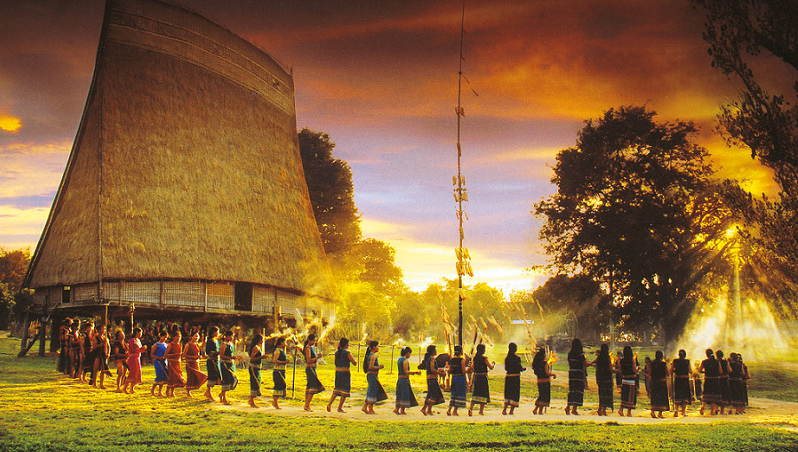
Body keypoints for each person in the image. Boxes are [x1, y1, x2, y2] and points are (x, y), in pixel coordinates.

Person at [328, 337, 357, 413]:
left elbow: (335, 362)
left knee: (337, 389)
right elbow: (354, 362)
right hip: (345, 373)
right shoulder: (347, 353)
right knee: (345, 391)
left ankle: (329, 404)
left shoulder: (337, 353)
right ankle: (339, 407)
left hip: (338, 372)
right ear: (346, 345)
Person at [566, 338, 593, 415]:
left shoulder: (570, 354)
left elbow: (569, 363)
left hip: (571, 373)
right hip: (578, 374)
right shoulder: (580, 354)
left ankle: (568, 407)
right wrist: (594, 362)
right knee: (578, 390)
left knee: (572, 390)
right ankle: (574, 409)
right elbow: (586, 364)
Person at [467, 344, 494, 416]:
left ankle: (471, 409)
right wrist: (493, 364)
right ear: (482, 350)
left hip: (477, 377)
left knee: (476, 392)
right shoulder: (484, 358)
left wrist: (475, 370)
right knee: (483, 393)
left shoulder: (475, 358)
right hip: (483, 377)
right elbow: (490, 367)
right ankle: (481, 411)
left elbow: (471, 367)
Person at [362, 340, 387, 414]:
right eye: (377, 346)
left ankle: (365, 406)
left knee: (371, 390)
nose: (378, 348)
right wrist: (379, 367)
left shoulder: (371, 355)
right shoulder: (373, 356)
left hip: (372, 375)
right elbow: (371, 366)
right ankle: (370, 408)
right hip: (372, 375)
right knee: (372, 391)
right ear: (374, 347)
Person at [420, 344, 445, 415]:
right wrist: (440, 373)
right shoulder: (432, 359)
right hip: (432, 378)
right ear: (433, 351)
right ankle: (429, 409)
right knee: (433, 393)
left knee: (430, 393)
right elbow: (432, 369)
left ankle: (424, 408)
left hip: (429, 378)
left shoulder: (428, 359)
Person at [394, 346, 420, 415]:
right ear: (407, 353)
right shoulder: (405, 360)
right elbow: (406, 371)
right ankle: (402, 410)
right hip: (404, 379)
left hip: (400, 379)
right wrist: (415, 372)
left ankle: (397, 408)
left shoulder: (399, 360)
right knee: (404, 394)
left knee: (400, 394)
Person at [303, 333, 325, 411]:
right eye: (313, 341)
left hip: (313, 369)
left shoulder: (312, 347)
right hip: (310, 369)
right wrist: (317, 357)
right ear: (309, 340)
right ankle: (307, 405)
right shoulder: (308, 348)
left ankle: (306, 405)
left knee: (309, 387)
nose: (314, 342)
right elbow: (309, 360)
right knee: (312, 388)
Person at [502, 342, 526, 415]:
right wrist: (522, 369)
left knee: (508, 393)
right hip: (515, 378)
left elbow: (506, 368)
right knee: (514, 394)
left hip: (508, 377)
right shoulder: (517, 358)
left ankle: (504, 409)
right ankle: (511, 411)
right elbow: (518, 367)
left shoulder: (507, 358)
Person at [532, 347, 556, 415]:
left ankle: (535, 409)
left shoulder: (536, 364)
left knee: (541, 395)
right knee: (544, 396)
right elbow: (547, 373)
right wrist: (553, 374)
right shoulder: (544, 363)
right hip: (545, 381)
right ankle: (540, 411)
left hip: (539, 381)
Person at [182, 331, 207, 397]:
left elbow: (201, 347)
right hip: (190, 363)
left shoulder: (197, 344)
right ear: (191, 337)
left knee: (196, 376)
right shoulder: (188, 345)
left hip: (196, 363)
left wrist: (200, 357)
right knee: (190, 377)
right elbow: (184, 354)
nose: (196, 338)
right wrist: (193, 357)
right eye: (195, 336)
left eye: (197, 336)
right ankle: (188, 392)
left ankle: (194, 387)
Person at [446, 345, 468, 416]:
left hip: (454, 378)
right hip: (460, 378)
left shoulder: (452, 360)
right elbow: (463, 371)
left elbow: (449, 370)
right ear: (461, 352)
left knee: (454, 394)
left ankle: (449, 409)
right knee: (459, 393)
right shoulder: (462, 360)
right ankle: (455, 411)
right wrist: (466, 379)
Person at [699, 348, 721, 415]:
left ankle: (703, 407)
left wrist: (705, 371)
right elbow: (721, 371)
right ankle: (712, 411)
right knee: (714, 396)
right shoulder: (717, 362)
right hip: (715, 379)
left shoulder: (704, 362)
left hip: (707, 379)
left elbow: (700, 370)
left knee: (706, 394)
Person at [671, 349, 692, 417]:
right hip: (685, 379)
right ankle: (683, 412)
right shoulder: (687, 361)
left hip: (678, 379)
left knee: (678, 395)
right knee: (684, 395)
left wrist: (675, 370)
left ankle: (676, 410)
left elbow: (671, 370)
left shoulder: (675, 361)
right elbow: (690, 371)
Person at [618, 345, 639, 417]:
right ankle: (628, 412)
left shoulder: (621, 360)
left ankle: (621, 409)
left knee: (624, 395)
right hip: (631, 379)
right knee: (631, 396)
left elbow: (620, 370)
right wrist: (637, 369)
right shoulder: (632, 359)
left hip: (624, 379)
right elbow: (634, 370)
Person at [219, 330, 238, 405]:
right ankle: (224, 398)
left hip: (231, 364)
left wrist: (235, 357)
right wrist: (231, 357)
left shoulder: (231, 344)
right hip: (225, 364)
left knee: (233, 380)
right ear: (226, 336)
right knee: (226, 380)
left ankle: (221, 394)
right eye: (230, 336)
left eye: (232, 336)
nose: (232, 337)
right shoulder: (224, 345)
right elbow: (221, 356)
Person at [649, 351, 670, 418]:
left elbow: (650, 373)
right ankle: (660, 413)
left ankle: (652, 411)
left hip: (654, 382)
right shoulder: (663, 364)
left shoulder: (652, 364)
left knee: (654, 397)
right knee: (662, 398)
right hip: (662, 382)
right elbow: (668, 373)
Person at [595, 344, 614, 416]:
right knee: (607, 394)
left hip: (601, 378)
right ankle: (604, 410)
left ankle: (600, 409)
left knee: (601, 394)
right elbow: (610, 369)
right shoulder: (607, 358)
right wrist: (617, 371)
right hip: (607, 378)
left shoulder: (599, 358)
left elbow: (597, 368)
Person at [164, 331, 186, 397]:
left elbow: (180, 353)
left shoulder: (180, 344)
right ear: (173, 337)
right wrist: (175, 355)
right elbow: (166, 355)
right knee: (172, 377)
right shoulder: (170, 345)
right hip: (171, 362)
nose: (178, 338)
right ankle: (168, 390)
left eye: (179, 336)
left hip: (178, 363)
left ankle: (172, 391)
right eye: (177, 336)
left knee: (177, 378)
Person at [204, 326, 222, 402]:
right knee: (212, 377)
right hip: (211, 361)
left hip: (216, 360)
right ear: (213, 332)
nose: (218, 333)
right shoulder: (209, 341)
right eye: (217, 332)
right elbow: (208, 352)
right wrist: (218, 352)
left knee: (218, 377)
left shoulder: (216, 340)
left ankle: (208, 392)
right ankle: (209, 393)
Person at [123, 327, 143, 394]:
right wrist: (139, 349)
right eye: (140, 333)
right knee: (132, 373)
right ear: (137, 333)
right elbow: (131, 350)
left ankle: (132, 388)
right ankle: (125, 387)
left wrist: (142, 350)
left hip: (137, 358)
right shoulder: (132, 340)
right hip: (132, 358)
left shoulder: (138, 340)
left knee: (137, 373)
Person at [92, 324, 112, 389]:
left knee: (103, 369)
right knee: (96, 369)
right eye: (102, 329)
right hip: (97, 354)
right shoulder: (95, 337)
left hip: (104, 355)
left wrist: (108, 353)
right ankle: (94, 383)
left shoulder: (105, 338)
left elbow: (109, 346)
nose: (104, 330)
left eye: (104, 329)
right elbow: (94, 346)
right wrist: (101, 344)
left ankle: (101, 384)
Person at [271, 337, 289, 409]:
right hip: (278, 371)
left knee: (281, 385)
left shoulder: (282, 350)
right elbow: (274, 360)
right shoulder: (277, 351)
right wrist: (284, 362)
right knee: (278, 386)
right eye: (285, 342)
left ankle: (275, 402)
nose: (286, 344)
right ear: (281, 343)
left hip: (282, 371)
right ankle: (275, 402)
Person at [248, 333, 264, 408]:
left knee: (258, 382)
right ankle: (251, 401)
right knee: (255, 383)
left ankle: (251, 400)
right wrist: (261, 357)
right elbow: (251, 359)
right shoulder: (255, 348)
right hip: (253, 367)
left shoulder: (259, 347)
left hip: (257, 368)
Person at [150, 330, 168, 396]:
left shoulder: (166, 345)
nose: (164, 339)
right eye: (163, 337)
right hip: (158, 362)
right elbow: (152, 355)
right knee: (159, 375)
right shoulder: (156, 345)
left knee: (164, 376)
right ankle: (152, 390)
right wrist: (158, 357)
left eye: (166, 337)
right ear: (160, 336)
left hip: (164, 362)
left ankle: (160, 391)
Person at [716, 349, 731, 414]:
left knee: (717, 394)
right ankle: (722, 410)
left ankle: (716, 408)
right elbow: (729, 370)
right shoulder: (725, 362)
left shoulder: (715, 362)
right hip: (724, 379)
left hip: (717, 379)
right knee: (724, 395)